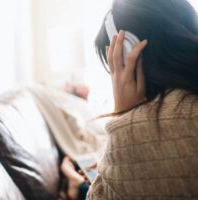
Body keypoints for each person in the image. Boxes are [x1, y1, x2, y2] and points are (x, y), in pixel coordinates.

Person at [65, 0, 198, 199]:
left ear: (128, 54)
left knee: (86, 187)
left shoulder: (134, 130)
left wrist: (125, 115)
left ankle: (74, 184)